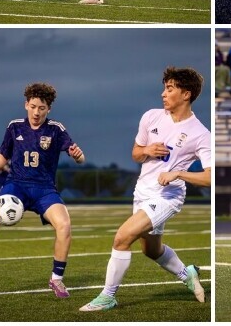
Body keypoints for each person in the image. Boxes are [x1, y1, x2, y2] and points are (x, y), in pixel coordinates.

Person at [80, 67, 210, 311]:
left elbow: (210, 177)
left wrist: (178, 173)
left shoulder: (200, 134)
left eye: (170, 89)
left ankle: (108, 296)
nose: (163, 94)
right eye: (164, 88)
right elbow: (136, 153)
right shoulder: (150, 117)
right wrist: (147, 151)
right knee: (151, 250)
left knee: (122, 237)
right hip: (142, 192)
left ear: (186, 94)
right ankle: (187, 273)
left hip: (167, 197)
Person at [0, 82, 86, 298]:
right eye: (33, 106)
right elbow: (0, 160)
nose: (36, 112)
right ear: (26, 104)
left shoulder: (56, 129)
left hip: (44, 189)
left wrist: (78, 155)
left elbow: (81, 159)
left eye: (42, 108)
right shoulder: (14, 126)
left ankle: (56, 279)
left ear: (49, 109)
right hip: (16, 183)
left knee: (64, 225)